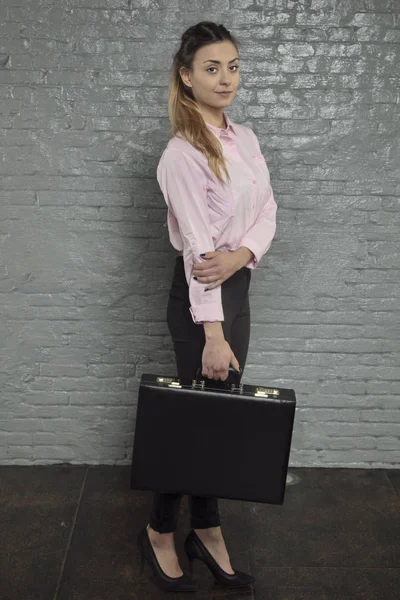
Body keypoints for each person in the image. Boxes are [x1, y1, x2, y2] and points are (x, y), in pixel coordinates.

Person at [136, 21, 277, 593]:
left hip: (237, 286)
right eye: (212, 68)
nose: (226, 78)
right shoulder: (182, 153)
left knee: (218, 416)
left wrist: (242, 252)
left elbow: (268, 210)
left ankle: (207, 527)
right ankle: (162, 529)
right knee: (195, 418)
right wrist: (213, 334)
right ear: (186, 77)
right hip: (203, 301)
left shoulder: (245, 137)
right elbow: (198, 250)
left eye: (233, 66)